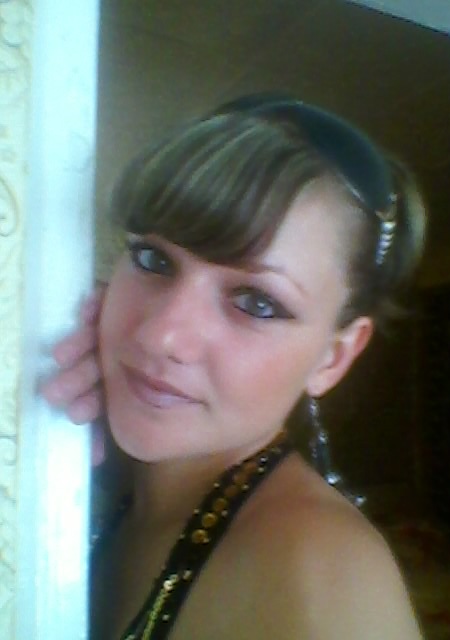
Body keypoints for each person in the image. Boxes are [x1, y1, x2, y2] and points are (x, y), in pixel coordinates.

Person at [42, 95, 426, 639]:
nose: (161, 335)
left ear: (334, 357)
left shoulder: (323, 577)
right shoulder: (89, 481)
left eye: (257, 303)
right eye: (154, 259)